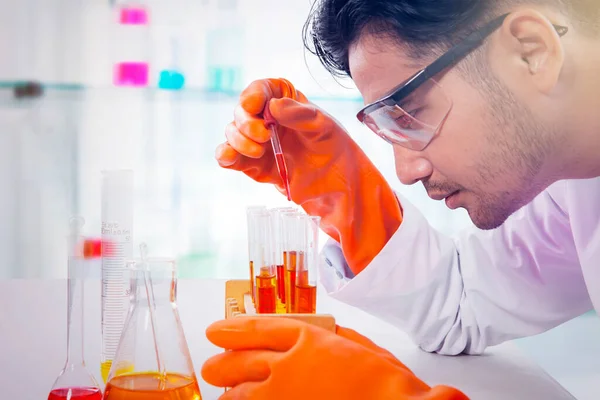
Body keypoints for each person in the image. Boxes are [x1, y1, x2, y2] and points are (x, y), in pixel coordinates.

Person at [201, 0, 600, 397]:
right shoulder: (575, 182)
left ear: (531, 52)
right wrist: (343, 192)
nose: (407, 172)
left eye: (411, 114)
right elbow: (464, 306)